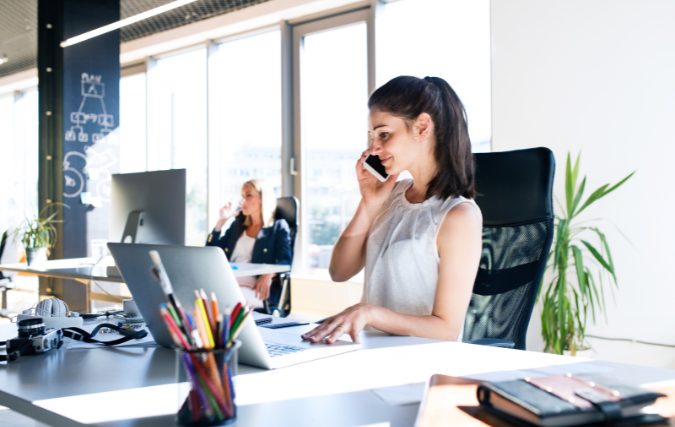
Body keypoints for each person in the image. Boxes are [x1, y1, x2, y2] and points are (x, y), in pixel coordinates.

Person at [302, 76, 483, 344]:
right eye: (372, 136)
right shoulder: (391, 194)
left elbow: (446, 329)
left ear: (422, 127)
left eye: (384, 134)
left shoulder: (459, 216)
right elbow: (339, 272)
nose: (373, 147)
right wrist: (369, 203)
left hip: (418, 365)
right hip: (369, 351)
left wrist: (370, 313)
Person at [206, 179, 292, 308]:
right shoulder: (238, 225)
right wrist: (220, 222)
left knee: (224, 301)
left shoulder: (278, 227)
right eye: (242, 196)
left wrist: (268, 273)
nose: (242, 201)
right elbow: (210, 252)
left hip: (255, 287)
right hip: (227, 281)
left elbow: (285, 260)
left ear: (263, 198)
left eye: (248, 195)